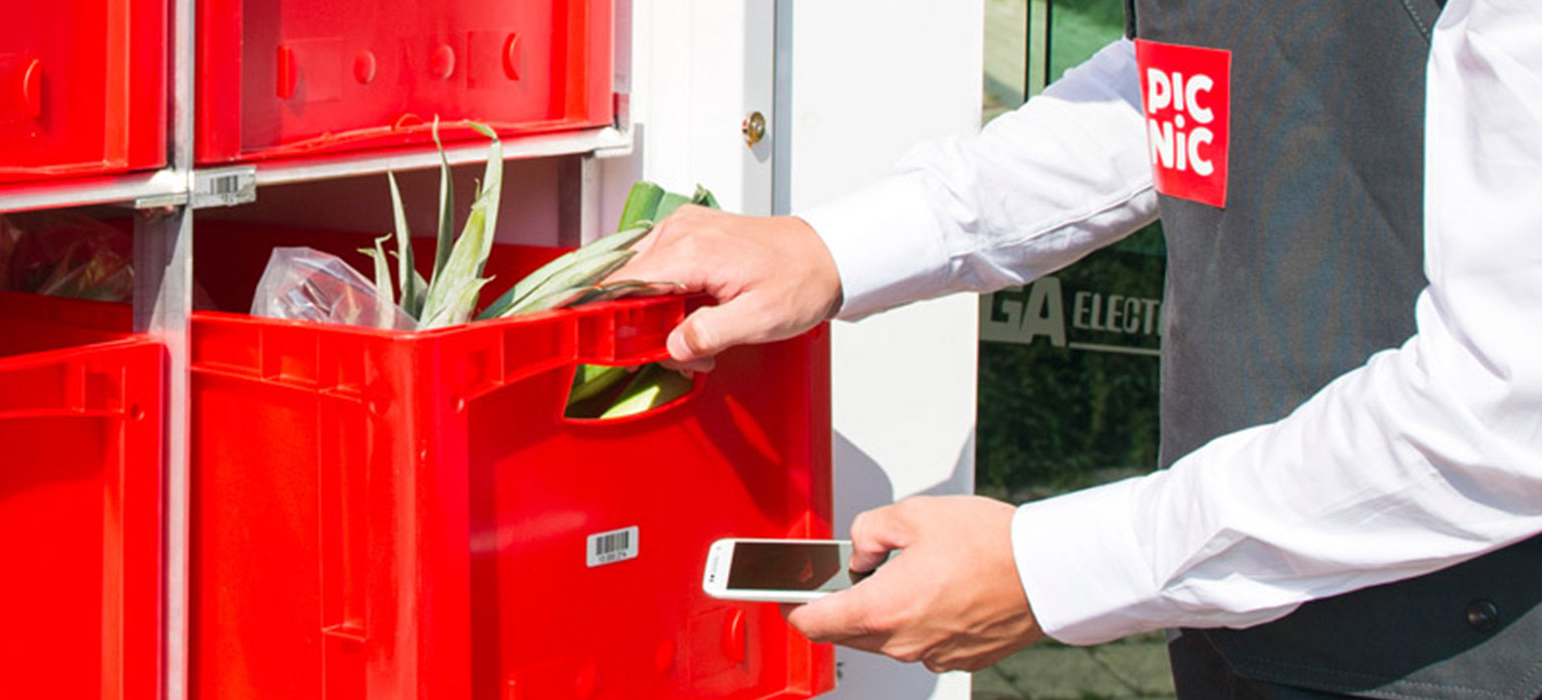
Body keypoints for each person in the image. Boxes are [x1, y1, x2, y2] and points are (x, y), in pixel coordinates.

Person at [612, 1, 1542, 696]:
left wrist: (1049, 569)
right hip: (1242, 626)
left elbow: (1507, 406)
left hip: (1461, 645)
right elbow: (1180, 88)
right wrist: (833, 248)